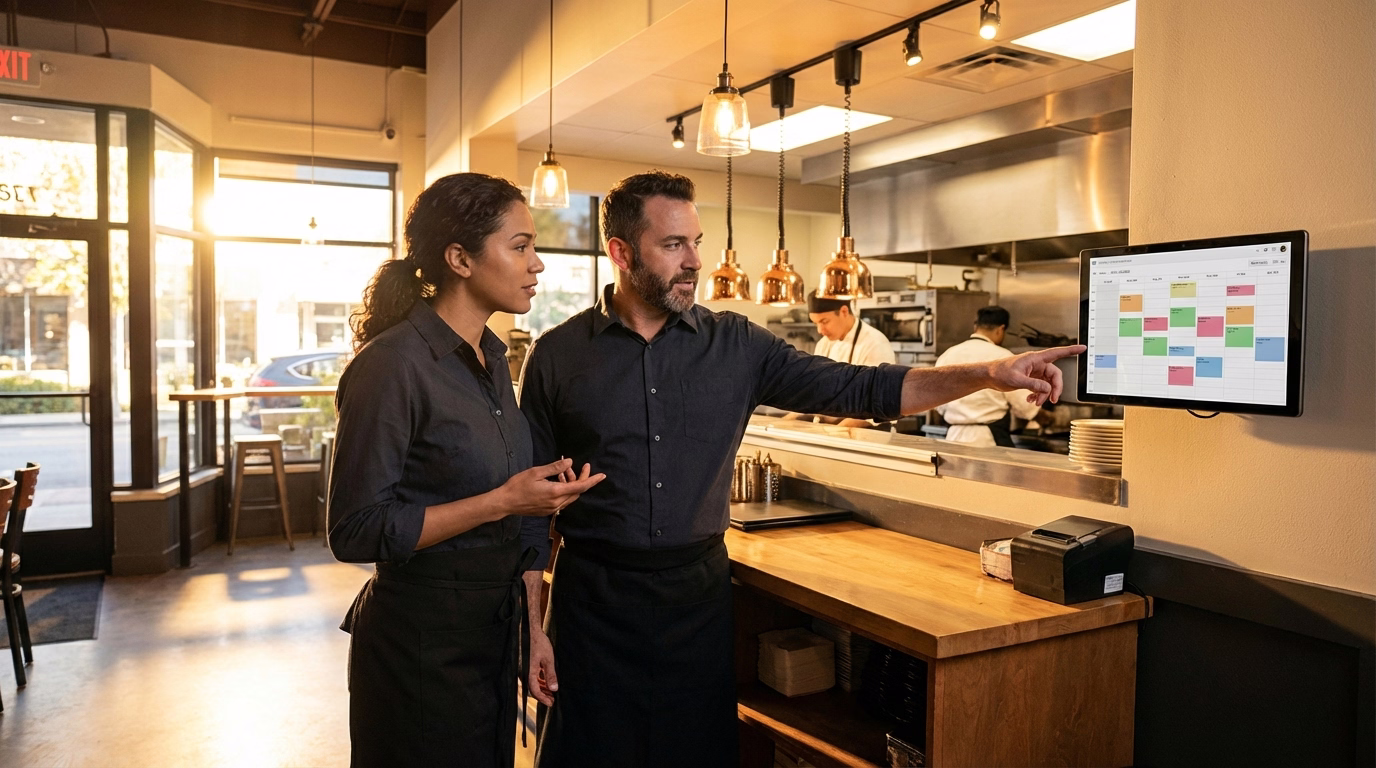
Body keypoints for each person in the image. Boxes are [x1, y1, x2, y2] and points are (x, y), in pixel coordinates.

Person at [517, 171, 1081, 768]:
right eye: (674, 245)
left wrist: (987, 374)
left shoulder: (737, 346)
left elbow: (859, 387)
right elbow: (527, 518)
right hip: (593, 605)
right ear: (621, 253)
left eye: (697, 242)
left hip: (697, 601)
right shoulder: (557, 355)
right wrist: (533, 629)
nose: (694, 262)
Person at [328, 172, 604, 768]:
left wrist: (532, 631)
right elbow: (353, 530)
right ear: (459, 258)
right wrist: (503, 501)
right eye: (521, 246)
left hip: (491, 636)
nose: (538, 265)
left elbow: (514, 516)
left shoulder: (495, 359)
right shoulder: (392, 366)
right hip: (418, 648)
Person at [934, 305, 1053, 447]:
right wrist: (1047, 418)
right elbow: (1024, 404)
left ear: (975, 327)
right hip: (988, 440)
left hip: (953, 437)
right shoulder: (1002, 357)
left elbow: (937, 402)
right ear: (1000, 329)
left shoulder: (948, 355)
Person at [789, 289, 897, 427]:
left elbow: (875, 407)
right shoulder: (824, 344)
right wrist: (783, 423)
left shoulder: (875, 343)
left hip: (868, 435)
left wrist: (833, 438)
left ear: (844, 311)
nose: (820, 330)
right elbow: (814, 394)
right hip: (831, 431)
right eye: (816, 323)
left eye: (824, 321)